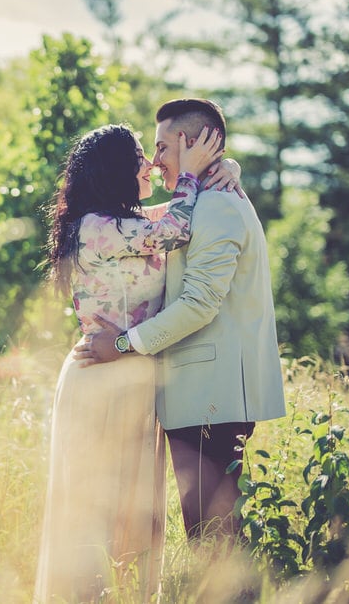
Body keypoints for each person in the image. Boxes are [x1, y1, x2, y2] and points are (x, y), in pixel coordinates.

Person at [34, 121, 238, 603]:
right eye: (140, 157)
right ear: (116, 170)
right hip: (100, 379)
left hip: (129, 378)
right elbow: (178, 226)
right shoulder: (96, 228)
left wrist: (223, 167)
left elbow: (175, 215)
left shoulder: (123, 225)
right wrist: (190, 172)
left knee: (135, 513)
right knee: (95, 510)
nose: (149, 165)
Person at [75, 98, 286, 546]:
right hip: (192, 393)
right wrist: (224, 165)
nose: (153, 162)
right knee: (209, 537)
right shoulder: (196, 204)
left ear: (190, 145)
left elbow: (199, 305)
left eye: (162, 148)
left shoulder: (216, 206)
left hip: (210, 392)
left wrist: (123, 344)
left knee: (214, 541)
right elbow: (163, 229)